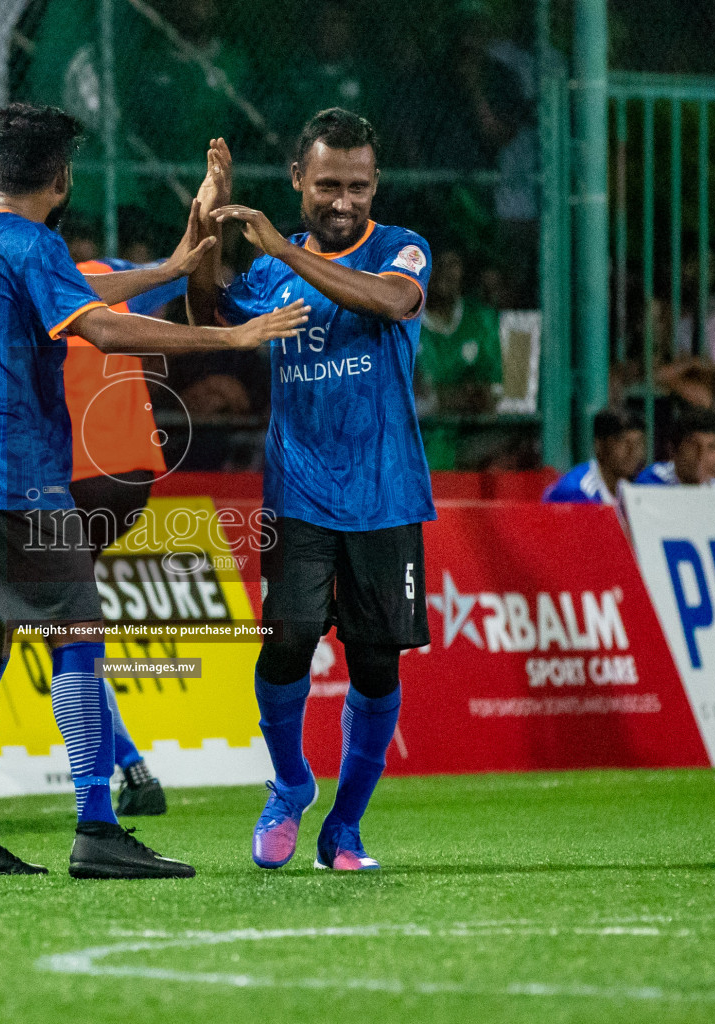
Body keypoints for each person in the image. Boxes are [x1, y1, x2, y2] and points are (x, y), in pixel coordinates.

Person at [0, 102, 306, 879]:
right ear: (61, 179)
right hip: (14, 477)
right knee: (79, 639)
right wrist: (228, 338)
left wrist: (165, 270)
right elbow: (103, 328)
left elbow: (74, 291)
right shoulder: (34, 244)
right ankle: (97, 823)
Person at [186, 109, 434, 872]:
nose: (343, 201)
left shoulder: (402, 249)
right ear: (298, 180)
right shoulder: (269, 263)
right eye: (328, 184)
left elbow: (390, 304)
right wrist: (207, 222)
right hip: (298, 490)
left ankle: (345, 829)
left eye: (358, 186)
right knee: (287, 641)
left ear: (375, 184)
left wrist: (281, 255)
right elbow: (207, 316)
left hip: (386, 495)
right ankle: (290, 783)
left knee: (376, 665)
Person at [0, 242, 197, 817]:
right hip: (131, 477)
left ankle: (119, 774)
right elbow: (171, 287)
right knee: (66, 620)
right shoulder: (114, 275)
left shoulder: (13, 279)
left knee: (50, 627)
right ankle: (130, 771)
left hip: (58, 477)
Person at [416, 242, 504, 470]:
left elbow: (489, 396)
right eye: (436, 262)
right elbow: (409, 399)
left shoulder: (482, 321)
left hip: (469, 451)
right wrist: (455, 397)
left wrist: (441, 398)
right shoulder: (403, 322)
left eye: (453, 263)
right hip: (415, 452)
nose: (444, 270)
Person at [543, 407, 646, 505]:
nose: (633, 451)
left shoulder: (641, 484)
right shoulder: (576, 492)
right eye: (622, 442)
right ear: (600, 446)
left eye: (638, 443)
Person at [633, 408, 715, 486]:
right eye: (693, 446)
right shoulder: (652, 480)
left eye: (711, 447)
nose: (701, 455)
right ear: (672, 450)